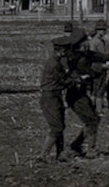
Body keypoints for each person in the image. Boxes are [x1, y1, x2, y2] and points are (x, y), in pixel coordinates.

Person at [59, 27, 105, 157]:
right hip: (76, 95)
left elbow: (100, 56)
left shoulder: (79, 55)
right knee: (92, 121)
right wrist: (99, 69)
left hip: (79, 94)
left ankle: (76, 146)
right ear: (81, 42)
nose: (88, 42)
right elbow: (90, 72)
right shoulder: (78, 59)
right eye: (86, 40)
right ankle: (90, 149)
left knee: (91, 120)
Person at [38, 32, 75, 161]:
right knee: (57, 127)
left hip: (54, 96)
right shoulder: (55, 64)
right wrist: (77, 80)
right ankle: (43, 155)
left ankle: (60, 154)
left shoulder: (55, 61)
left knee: (60, 125)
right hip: (50, 97)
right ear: (62, 50)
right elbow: (63, 81)